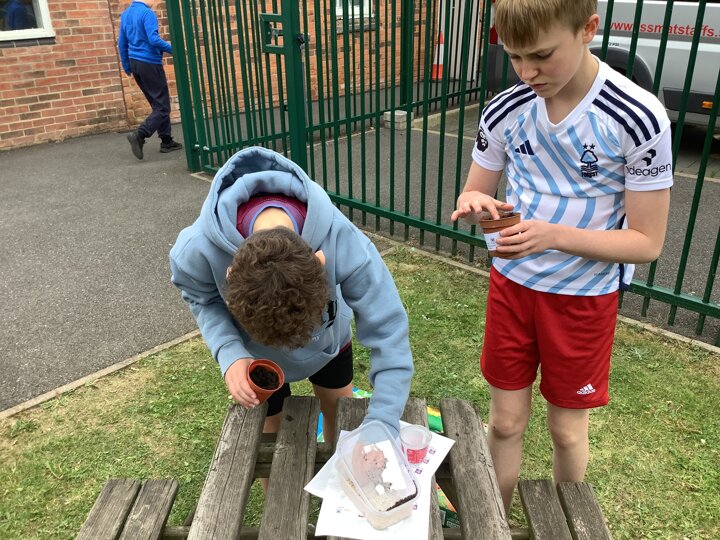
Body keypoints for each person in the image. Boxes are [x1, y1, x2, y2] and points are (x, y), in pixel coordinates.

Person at [451, 0, 672, 514]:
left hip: (583, 299)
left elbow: (647, 242)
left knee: (567, 432)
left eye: (542, 55)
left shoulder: (637, 116)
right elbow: (474, 191)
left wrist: (553, 235)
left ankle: (567, 524)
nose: (527, 73)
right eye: (514, 57)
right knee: (505, 422)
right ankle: (492, 524)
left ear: (588, 29)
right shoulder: (505, 109)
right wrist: (475, 204)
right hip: (512, 286)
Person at [170, 146, 414, 457]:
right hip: (258, 359)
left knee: (340, 415)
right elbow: (202, 298)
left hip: (327, 344)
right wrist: (229, 351)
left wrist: (383, 422)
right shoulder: (194, 250)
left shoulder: (343, 240)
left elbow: (389, 331)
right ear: (229, 275)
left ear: (320, 261)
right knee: (271, 442)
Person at [118, 0, 182, 160]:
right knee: (162, 107)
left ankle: (166, 141)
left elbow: (122, 42)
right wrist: (176, 49)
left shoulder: (126, 14)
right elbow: (154, 40)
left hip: (135, 63)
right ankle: (140, 135)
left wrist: (127, 65)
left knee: (157, 104)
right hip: (149, 63)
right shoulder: (147, 13)